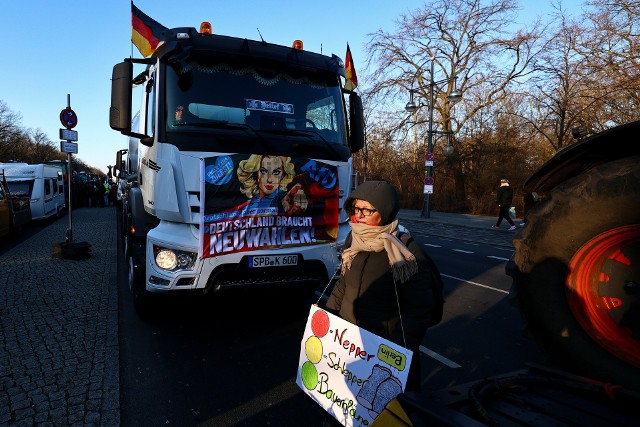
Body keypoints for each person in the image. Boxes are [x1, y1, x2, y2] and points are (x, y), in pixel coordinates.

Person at [325, 180, 436, 395]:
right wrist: (328, 315)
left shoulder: (406, 251)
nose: (360, 215)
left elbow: (420, 308)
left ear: (384, 211)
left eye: (367, 209)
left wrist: (397, 348)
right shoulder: (353, 239)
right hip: (348, 342)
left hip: (382, 346)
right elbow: (343, 283)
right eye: (356, 208)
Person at [236, 154, 307, 214]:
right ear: (255, 173)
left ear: (283, 175)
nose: (269, 180)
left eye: (276, 172)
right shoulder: (244, 202)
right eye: (263, 171)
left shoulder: (284, 198)